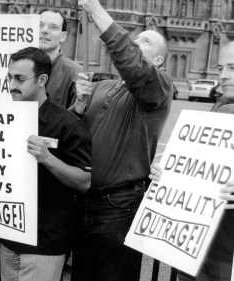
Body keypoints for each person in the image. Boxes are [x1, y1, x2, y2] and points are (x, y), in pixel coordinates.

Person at [69, 1, 175, 280]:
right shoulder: (102, 87)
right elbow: (73, 137)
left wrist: (95, 9)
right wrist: (79, 106)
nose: (135, 41)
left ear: (158, 61)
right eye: (135, 38)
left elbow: (131, 61)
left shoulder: (159, 86)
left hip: (119, 206)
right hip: (84, 201)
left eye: (145, 42)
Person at [0, 46, 91, 281]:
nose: (12, 85)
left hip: (45, 242)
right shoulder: (1, 120)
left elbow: (84, 182)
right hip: (9, 239)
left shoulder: (68, 125)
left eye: (20, 79)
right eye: (9, 77)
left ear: (42, 80)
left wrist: (48, 158)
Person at [151, 41, 234, 281]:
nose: (224, 75)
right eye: (220, 68)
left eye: (232, 67)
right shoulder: (220, 110)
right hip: (195, 247)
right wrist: (167, 175)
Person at [38, 9, 82, 108]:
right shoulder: (17, 65)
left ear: (63, 36)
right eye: (40, 25)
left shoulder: (75, 73)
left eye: (53, 27)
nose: (44, 30)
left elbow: (75, 118)